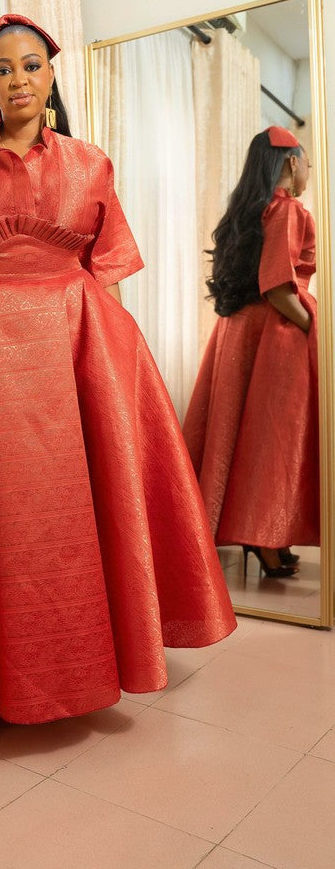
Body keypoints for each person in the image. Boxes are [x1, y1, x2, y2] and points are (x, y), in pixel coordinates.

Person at [0, 14, 236, 751]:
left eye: (31, 65)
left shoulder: (90, 163)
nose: (17, 79)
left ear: (52, 75)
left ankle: (98, 660)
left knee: (79, 515)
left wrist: (118, 373)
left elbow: (107, 274)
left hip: (77, 345)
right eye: (2, 69)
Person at [183, 126, 319, 579]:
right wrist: (315, 327)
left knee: (239, 435)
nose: (309, 173)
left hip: (238, 330)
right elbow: (279, 287)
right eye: (308, 164)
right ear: (293, 163)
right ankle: (265, 536)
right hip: (274, 334)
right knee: (273, 438)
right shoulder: (289, 210)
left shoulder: (248, 212)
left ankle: (260, 536)